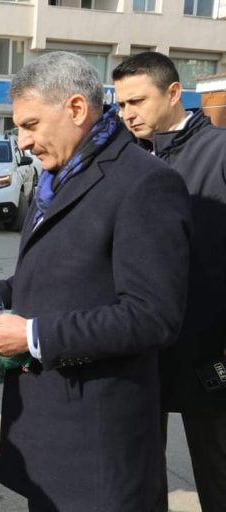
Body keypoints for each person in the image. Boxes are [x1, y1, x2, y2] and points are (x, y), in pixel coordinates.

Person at [0, 52, 192, 511]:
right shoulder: (56, 177)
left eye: (30, 125)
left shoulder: (145, 183)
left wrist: (32, 335)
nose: (23, 142)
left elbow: (152, 316)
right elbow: (57, 267)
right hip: (48, 432)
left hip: (99, 442)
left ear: (75, 109)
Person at [113, 52, 226, 512]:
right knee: (139, 477)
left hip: (210, 350)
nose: (127, 114)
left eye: (137, 101)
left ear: (174, 93)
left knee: (219, 474)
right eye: (120, 105)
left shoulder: (219, 152)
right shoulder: (126, 160)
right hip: (141, 350)